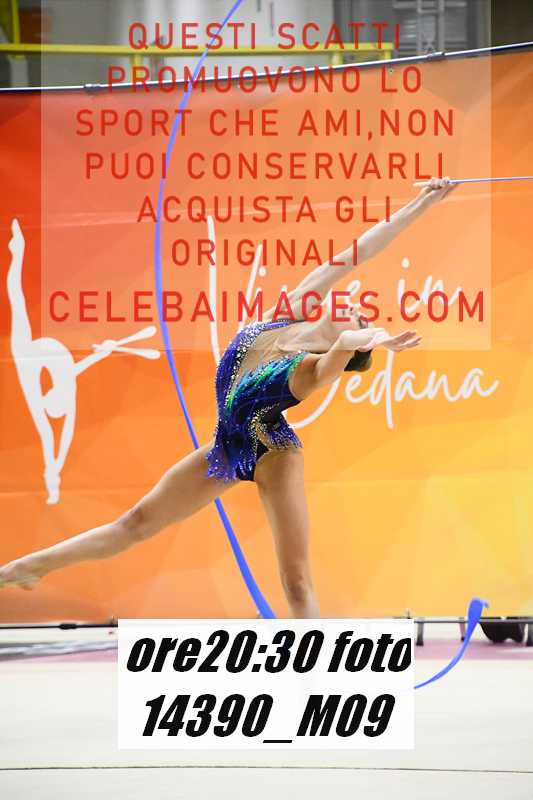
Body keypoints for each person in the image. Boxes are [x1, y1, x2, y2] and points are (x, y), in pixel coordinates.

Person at [0, 177, 456, 617]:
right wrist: (423, 203)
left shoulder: (310, 369)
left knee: (296, 581)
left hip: (274, 456)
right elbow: (357, 253)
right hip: (225, 449)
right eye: (359, 314)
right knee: (135, 522)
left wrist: (371, 338)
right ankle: (29, 567)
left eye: (359, 319)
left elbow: (342, 350)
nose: (355, 308)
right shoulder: (287, 313)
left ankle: (316, 665)